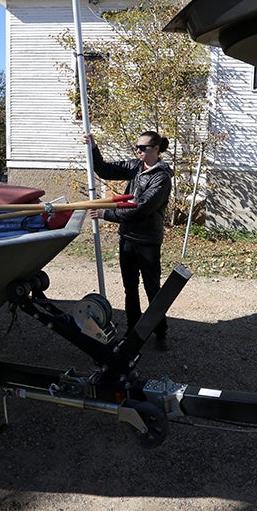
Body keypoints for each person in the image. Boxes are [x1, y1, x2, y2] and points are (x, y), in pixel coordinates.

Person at [83, 131, 174, 351]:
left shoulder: (161, 177)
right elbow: (104, 170)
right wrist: (93, 148)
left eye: (142, 148)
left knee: (153, 289)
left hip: (147, 240)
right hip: (127, 238)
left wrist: (107, 214)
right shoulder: (135, 166)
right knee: (129, 288)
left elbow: (140, 208)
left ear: (156, 149)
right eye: (137, 147)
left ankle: (160, 332)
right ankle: (132, 333)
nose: (138, 151)